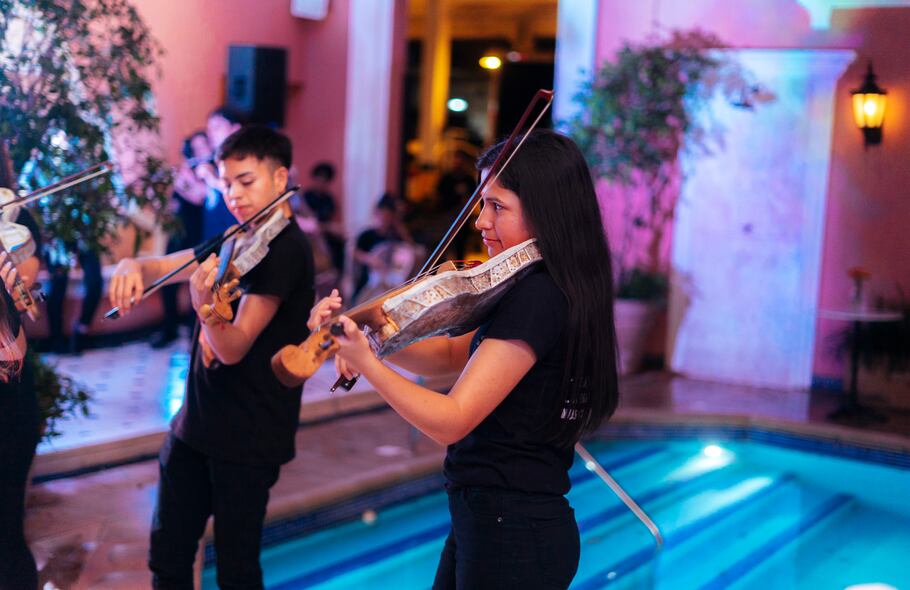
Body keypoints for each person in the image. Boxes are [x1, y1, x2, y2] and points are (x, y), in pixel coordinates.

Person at [309, 129, 619, 589]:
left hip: (511, 532)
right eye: (482, 204)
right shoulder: (539, 286)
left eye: (497, 206)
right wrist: (364, 333)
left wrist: (368, 363)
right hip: (493, 520)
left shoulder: (539, 295)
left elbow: (452, 419)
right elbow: (452, 354)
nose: (480, 221)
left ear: (544, 210)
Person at [109, 126, 315, 589]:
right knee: (168, 557)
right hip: (197, 426)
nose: (234, 195)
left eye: (246, 181)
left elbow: (233, 344)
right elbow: (168, 265)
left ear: (280, 178)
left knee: (237, 571)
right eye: (226, 183)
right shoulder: (239, 235)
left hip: (248, 436)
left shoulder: (286, 249)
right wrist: (134, 266)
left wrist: (205, 307)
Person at [0, 141, 43, 589]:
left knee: (6, 535)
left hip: (7, 402)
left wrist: (13, 281)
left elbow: (23, 299)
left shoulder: (15, 219)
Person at [150, 130, 211, 348]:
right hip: (178, 234)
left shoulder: (208, 172)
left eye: (203, 146)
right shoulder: (186, 171)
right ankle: (170, 327)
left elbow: (200, 196)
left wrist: (183, 181)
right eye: (195, 148)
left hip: (199, 235)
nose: (198, 151)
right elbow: (171, 205)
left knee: (198, 284)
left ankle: (193, 331)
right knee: (168, 283)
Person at [351, 192, 417, 303]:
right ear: (377, 213)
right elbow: (354, 253)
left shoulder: (396, 235)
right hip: (369, 284)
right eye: (382, 214)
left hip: (392, 285)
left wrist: (398, 225)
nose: (385, 218)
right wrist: (368, 259)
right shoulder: (367, 235)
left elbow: (410, 248)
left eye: (388, 215)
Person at [197, 107, 244, 240]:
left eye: (216, 127)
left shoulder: (243, 160)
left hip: (234, 242)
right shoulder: (216, 163)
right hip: (212, 241)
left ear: (235, 129)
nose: (210, 134)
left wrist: (212, 179)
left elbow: (240, 193)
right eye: (209, 129)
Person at [299, 162, 345, 274]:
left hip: (324, 235)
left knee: (341, 241)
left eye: (325, 180)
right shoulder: (305, 197)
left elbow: (328, 220)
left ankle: (336, 275)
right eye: (320, 179)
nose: (322, 183)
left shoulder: (329, 199)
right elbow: (305, 223)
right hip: (309, 236)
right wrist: (328, 227)